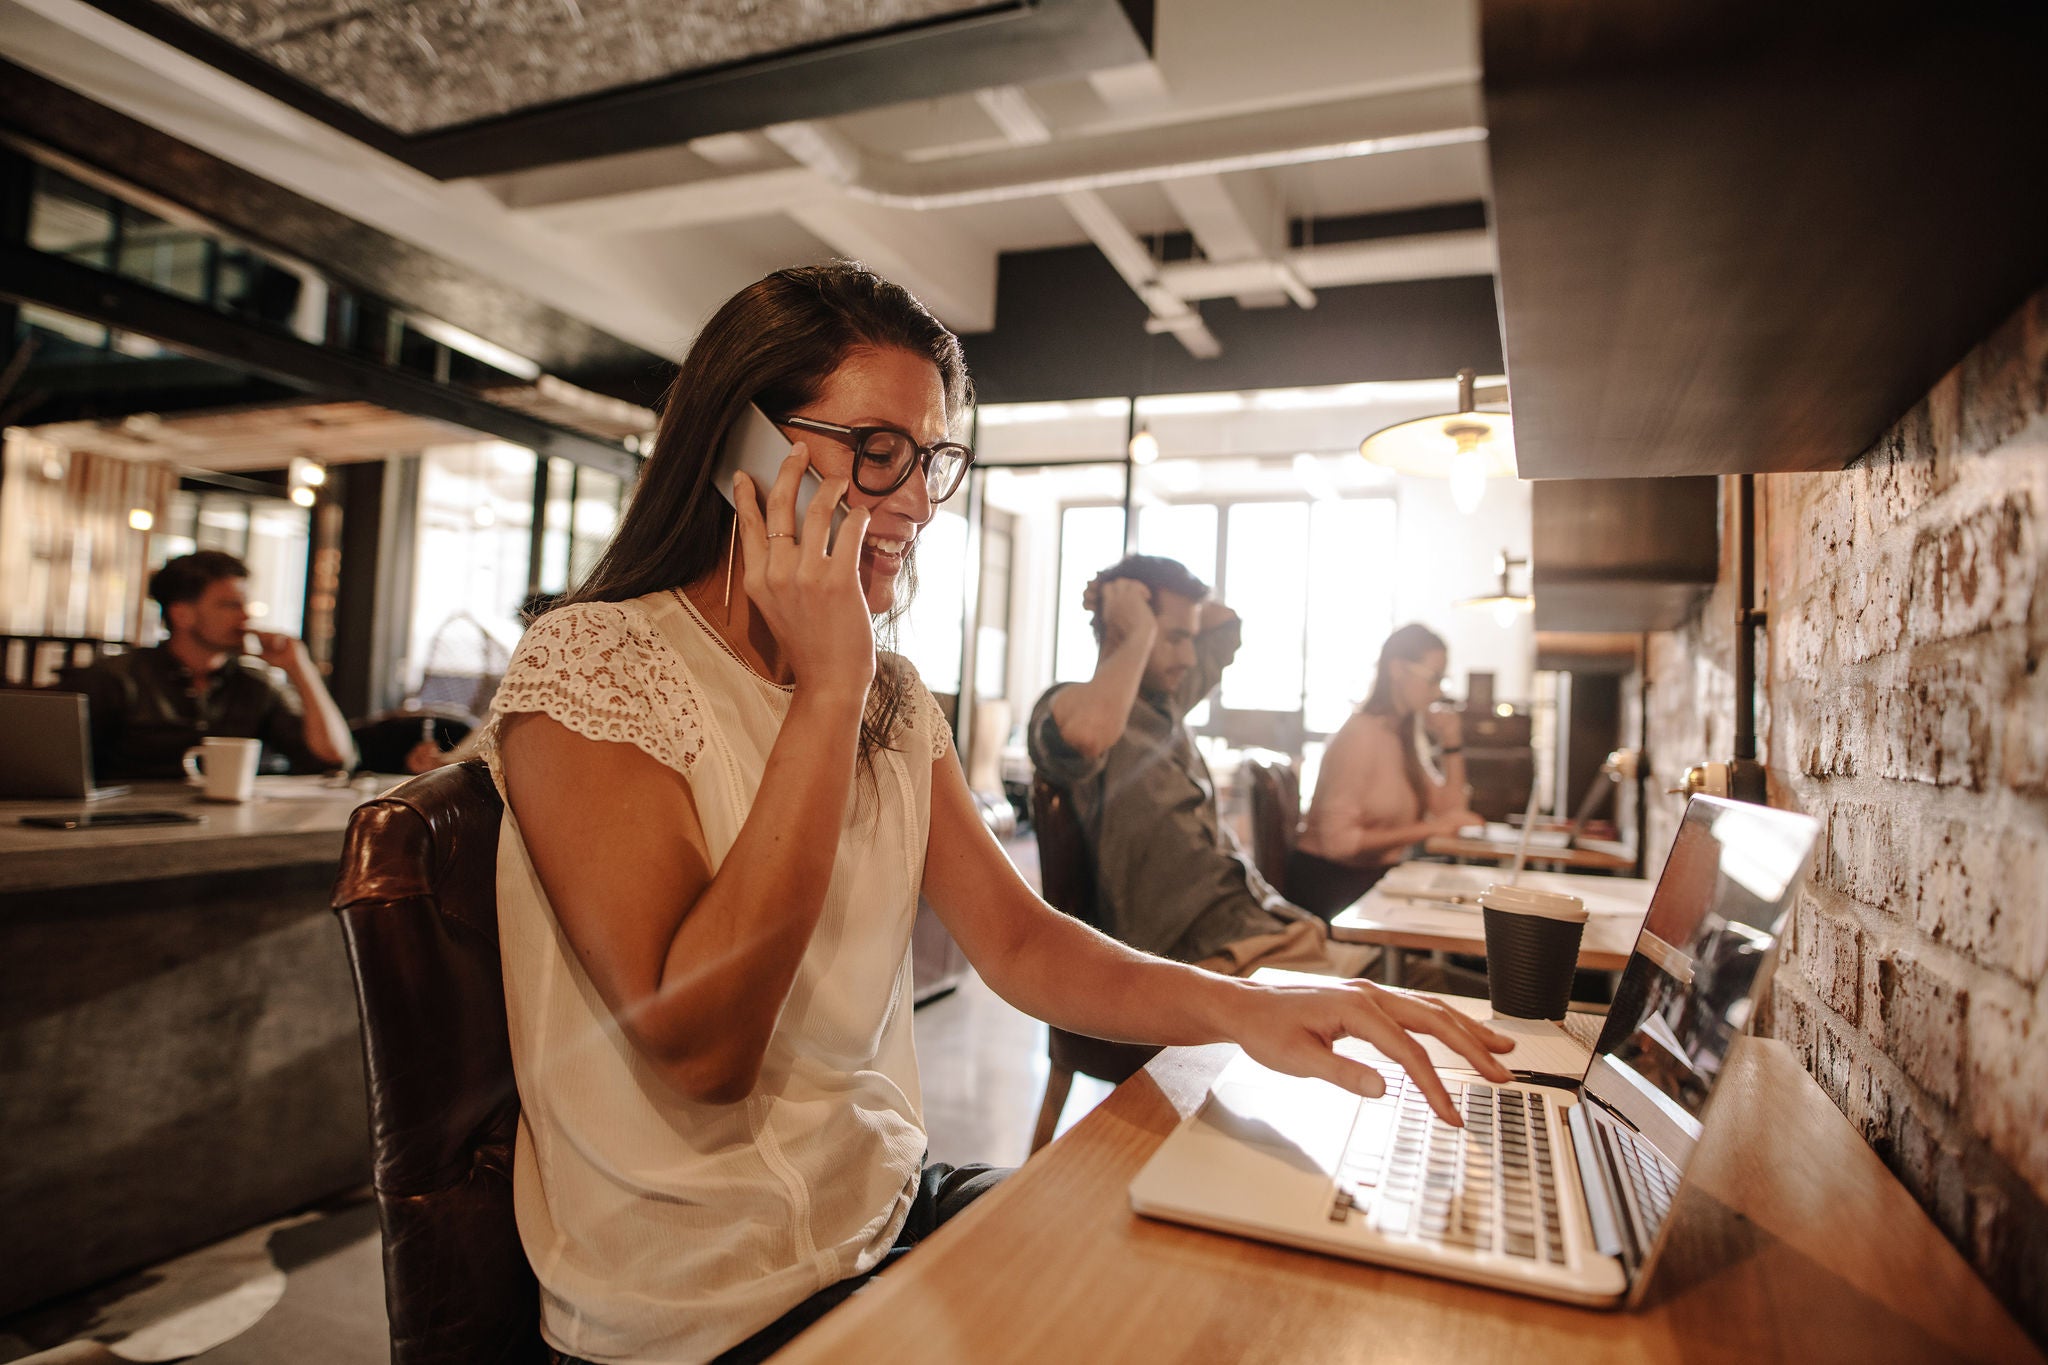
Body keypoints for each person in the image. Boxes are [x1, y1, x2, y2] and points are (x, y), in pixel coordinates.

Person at [479, 263, 1513, 1365]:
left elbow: (1017, 941)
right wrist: (828, 689)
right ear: (741, 446)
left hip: (880, 1216)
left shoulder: (887, 694)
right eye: (878, 451)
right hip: (698, 1305)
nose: (919, 502)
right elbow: (702, 1051)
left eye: (931, 461)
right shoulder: (596, 663)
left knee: (1257, 1296)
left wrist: (1245, 1005)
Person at [1026, 555, 1367, 976]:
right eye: (1173, 638)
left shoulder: (1165, 703)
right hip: (1206, 956)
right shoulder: (1079, 707)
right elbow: (1088, 733)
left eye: (1189, 638)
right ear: (1126, 628)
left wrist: (1147, 612)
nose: (1189, 656)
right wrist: (1132, 627)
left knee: (1432, 997)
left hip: (1270, 932)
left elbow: (1226, 624)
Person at [70, 550, 355, 780]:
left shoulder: (254, 684)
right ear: (182, 615)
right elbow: (66, 772)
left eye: (245, 605)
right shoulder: (114, 679)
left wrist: (300, 669)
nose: (245, 617)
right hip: (129, 829)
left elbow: (333, 758)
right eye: (230, 605)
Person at [1288, 623, 1486, 918]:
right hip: (1332, 890)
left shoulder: (1402, 733)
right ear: (1397, 670)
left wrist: (1452, 742)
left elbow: (1450, 811)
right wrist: (1429, 829)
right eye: (1433, 679)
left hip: (1369, 881)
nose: (1438, 691)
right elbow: (1339, 845)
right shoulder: (1361, 735)